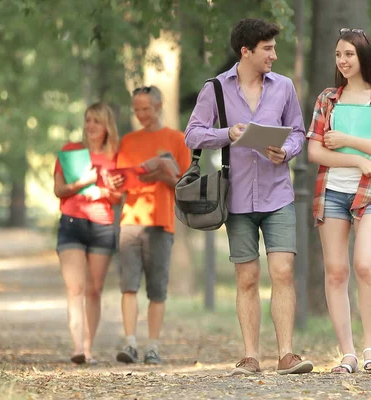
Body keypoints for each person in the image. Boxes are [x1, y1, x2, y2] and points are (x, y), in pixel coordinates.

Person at [185, 18, 314, 376]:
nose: (274, 54)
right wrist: (228, 133)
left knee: (283, 271)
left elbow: (299, 134)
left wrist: (285, 151)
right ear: (246, 51)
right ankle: (251, 356)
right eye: (268, 48)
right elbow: (192, 134)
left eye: (274, 47)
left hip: (278, 195)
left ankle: (286, 354)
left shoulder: (284, 87)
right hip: (238, 198)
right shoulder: (216, 89)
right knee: (247, 277)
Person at [306, 28, 371, 373]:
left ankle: (370, 349)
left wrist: (348, 140)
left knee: (364, 264)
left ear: (363, 55)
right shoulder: (327, 99)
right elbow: (315, 151)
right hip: (332, 191)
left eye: (349, 54)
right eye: (338, 55)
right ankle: (347, 353)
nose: (343, 61)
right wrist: (357, 160)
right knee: (336, 271)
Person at [112, 85, 191, 365]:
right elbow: (121, 183)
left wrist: (162, 172)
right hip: (131, 221)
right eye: (137, 110)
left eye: (145, 109)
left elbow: (185, 184)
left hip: (161, 222)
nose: (141, 114)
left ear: (159, 106)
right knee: (128, 285)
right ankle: (130, 343)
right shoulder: (129, 142)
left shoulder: (177, 140)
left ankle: (153, 346)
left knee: (157, 289)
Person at [53, 102, 121, 365]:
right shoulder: (71, 152)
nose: (91, 126)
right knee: (75, 287)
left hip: (102, 226)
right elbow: (59, 190)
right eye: (88, 120)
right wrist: (83, 183)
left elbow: (118, 196)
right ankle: (78, 347)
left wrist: (102, 192)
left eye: (97, 121)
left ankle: (88, 348)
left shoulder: (115, 155)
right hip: (71, 223)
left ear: (107, 127)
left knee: (94, 290)